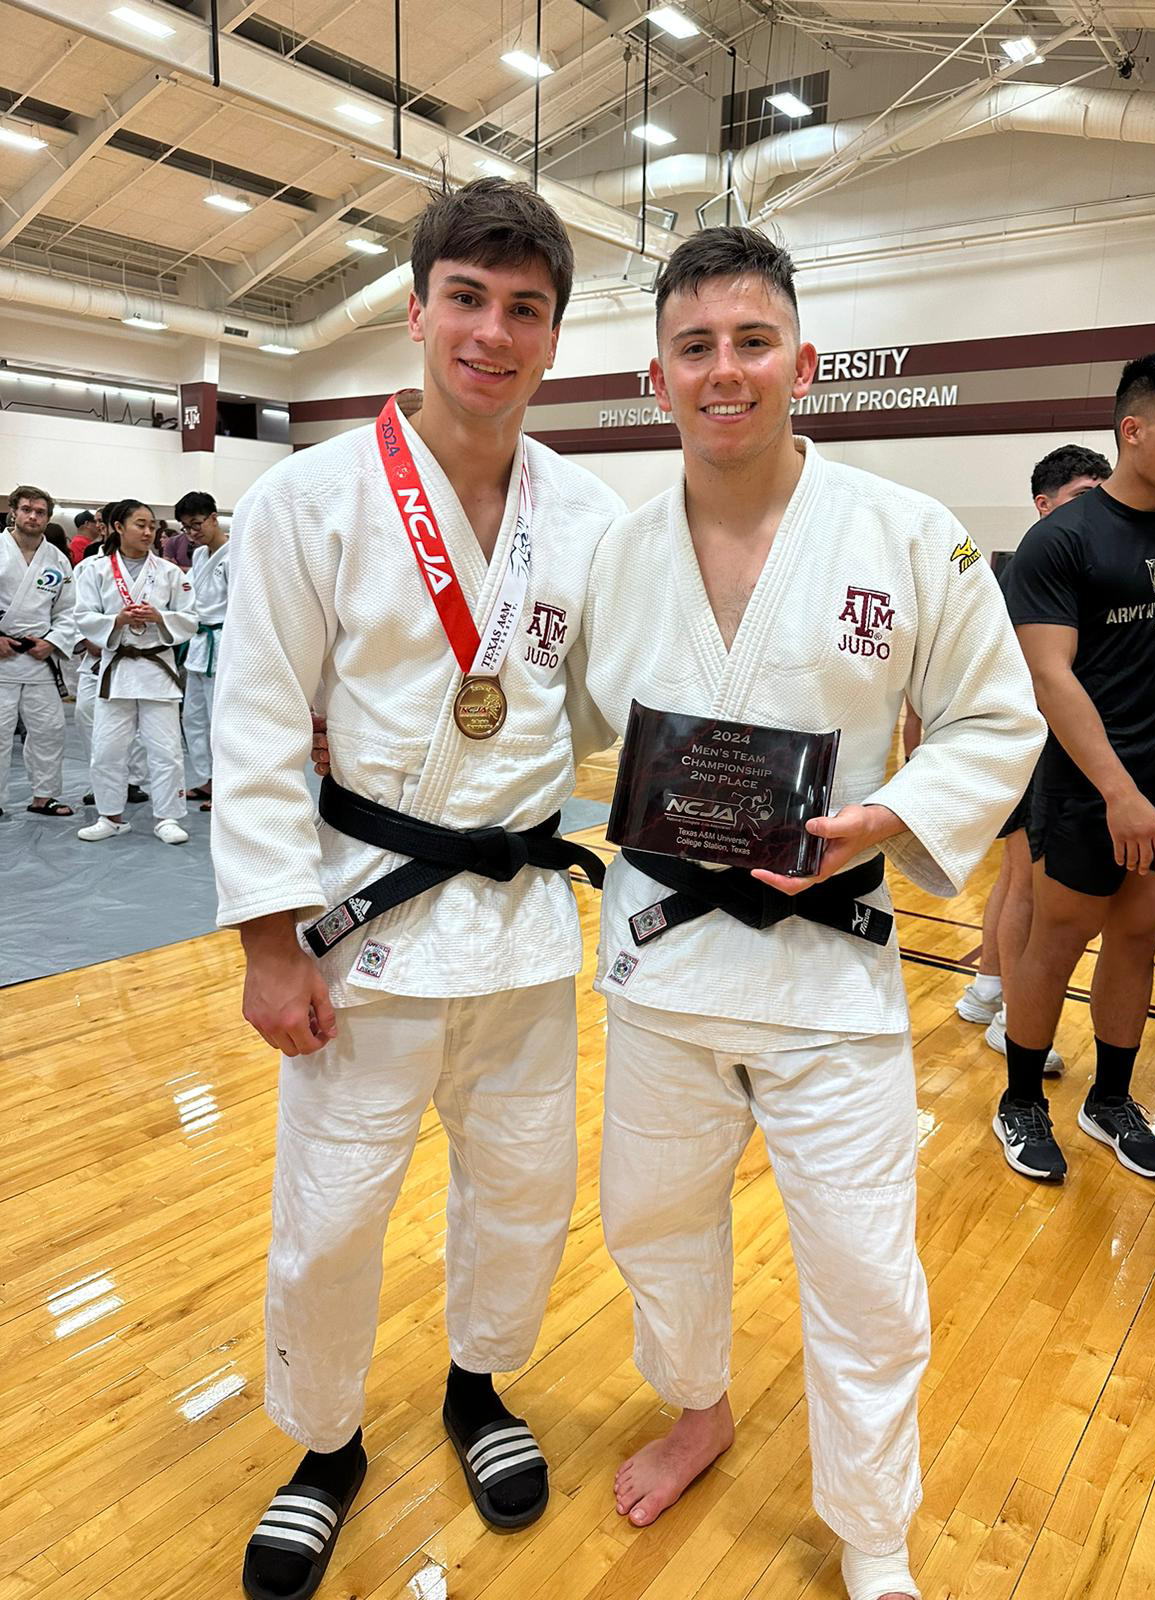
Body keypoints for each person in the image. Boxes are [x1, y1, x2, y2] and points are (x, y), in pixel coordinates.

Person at [580, 228, 1044, 1600]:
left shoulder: (906, 531)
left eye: (752, 341)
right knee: (650, 1223)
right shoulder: (615, 555)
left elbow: (994, 715)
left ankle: (873, 1530)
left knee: (864, 1270)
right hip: (661, 965)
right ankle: (699, 1406)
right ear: (656, 377)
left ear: (804, 362)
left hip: (829, 972)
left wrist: (888, 817)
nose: (725, 371)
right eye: (695, 347)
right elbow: (548, 734)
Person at [210, 178, 624, 1600]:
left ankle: (478, 1386)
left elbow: (624, 704)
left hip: (518, 924)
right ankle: (323, 1447)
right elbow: (257, 727)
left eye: (525, 310)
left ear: (556, 336)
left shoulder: (593, 513)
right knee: (330, 1214)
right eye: (468, 298)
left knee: (519, 1194)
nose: (492, 334)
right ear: (416, 306)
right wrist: (271, 947)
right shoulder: (306, 498)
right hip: (360, 927)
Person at [995, 352, 1155, 1184]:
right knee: (1057, 942)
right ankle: (1020, 1101)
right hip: (1087, 789)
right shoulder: (1062, 542)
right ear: (1133, 429)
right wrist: (1119, 792)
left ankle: (1110, 1099)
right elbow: (1051, 678)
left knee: (1140, 937)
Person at [956, 445, 1112, 1069]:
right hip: (1029, 742)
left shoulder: (1067, 563)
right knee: (1027, 881)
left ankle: (987, 989)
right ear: (1043, 505)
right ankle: (1014, 1020)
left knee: (1015, 876)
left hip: (1037, 742)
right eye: (1082, 497)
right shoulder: (1033, 566)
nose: (1095, 510)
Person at [74, 498, 196, 846]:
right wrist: (117, 620)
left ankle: (168, 817)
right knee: (108, 748)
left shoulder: (170, 572)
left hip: (157, 667)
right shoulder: (95, 570)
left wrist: (160, 617)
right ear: (118, 527)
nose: (148, 531)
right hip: (117, 668)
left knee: (166, 749)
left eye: (152, 525)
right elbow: (83, 615)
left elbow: (190, 617)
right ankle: (110, 816)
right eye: (140, 524)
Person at [0, 484, 77, 818]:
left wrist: (54, 642)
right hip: (1, 657)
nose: (33, 516)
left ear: (47, 517)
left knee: (49, 731)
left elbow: (69, 611)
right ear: (13, 511)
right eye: (27, 509)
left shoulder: (57, 559)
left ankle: (44, 797)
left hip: (38, 660)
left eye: (40, 511)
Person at [176, 491, 228, 809]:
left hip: (222, 643)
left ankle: (225, 786)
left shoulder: (237, 553)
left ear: (213, 518)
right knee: (193, 717)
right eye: (186, 527)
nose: (192, 533)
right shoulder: (198, 556)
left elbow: (242, 607)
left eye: (196, 524)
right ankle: (208, 778)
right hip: (199, 643)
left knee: (219, 719)